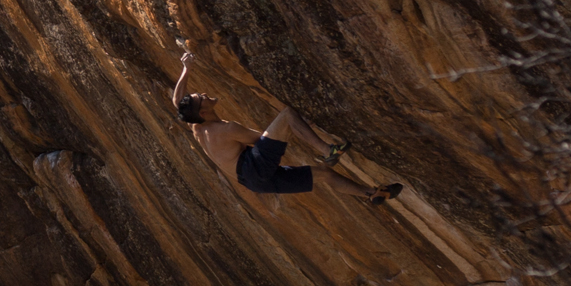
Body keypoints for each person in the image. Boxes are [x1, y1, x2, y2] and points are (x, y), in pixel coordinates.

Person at [172, 52, 402, 204]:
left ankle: (372, 194)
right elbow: (262, 140)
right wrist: (291, 129)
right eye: (200, 97)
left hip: (252, 182)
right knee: (288, 116)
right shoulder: (226, 129)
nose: (202, 93)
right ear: (203, 112)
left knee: (323, 175)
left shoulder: (197, 126)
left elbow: (178, 102)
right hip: (254, 166)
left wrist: (186, 68)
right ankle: (328, 151)